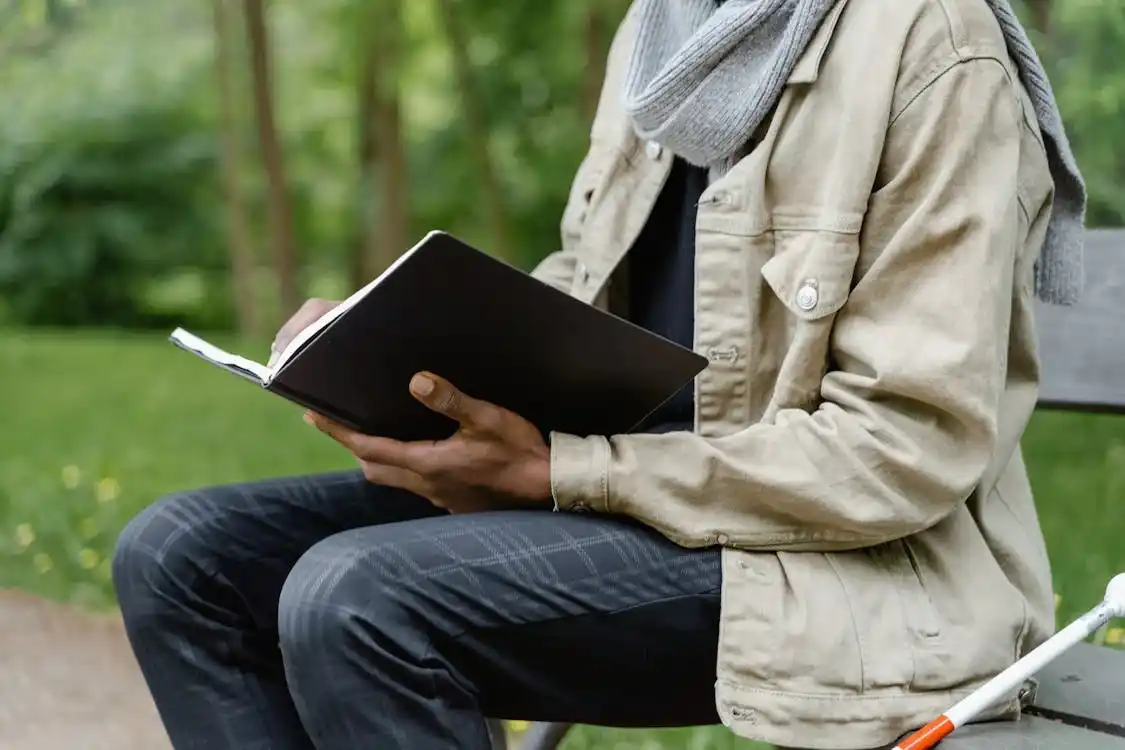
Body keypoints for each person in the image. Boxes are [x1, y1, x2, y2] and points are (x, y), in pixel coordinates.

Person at [111, 0, 1087, 748]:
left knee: (354, 598)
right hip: (613, 497)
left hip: (825, 563)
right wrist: (389, 352)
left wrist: (563, 473)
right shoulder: (662, 29)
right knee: (183, 558)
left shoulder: (932, 44)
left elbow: (906, 446)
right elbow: (582, 290)